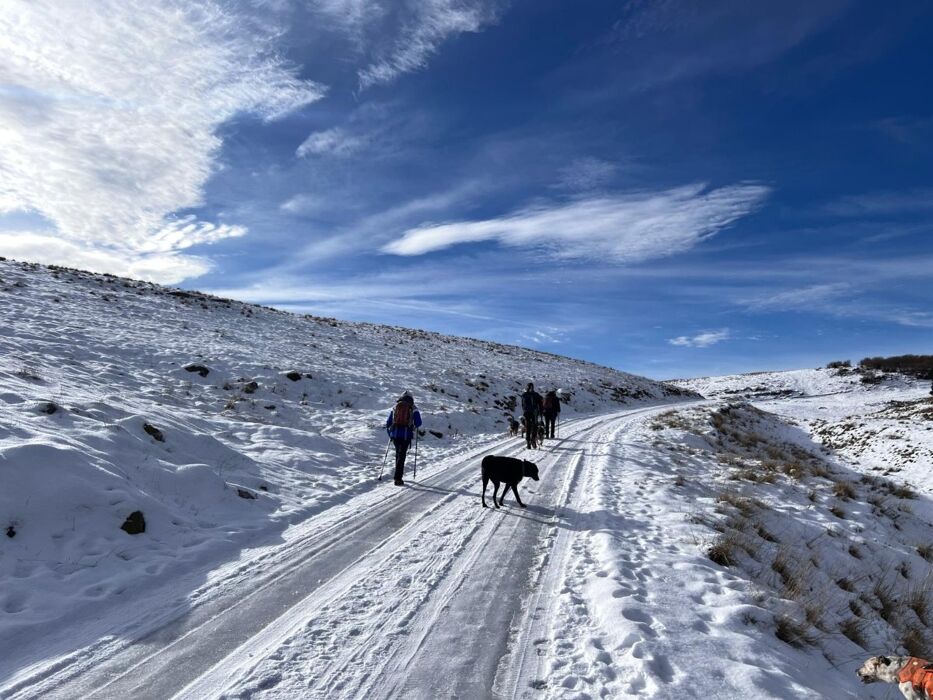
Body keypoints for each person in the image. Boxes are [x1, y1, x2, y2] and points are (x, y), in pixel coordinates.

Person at [386, 392, 422, 485]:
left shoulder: (395, 407)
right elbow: (418, 423)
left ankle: (397, 476)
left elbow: (388, 422)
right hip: (406, 435)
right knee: (402, 456)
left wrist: (390, 434)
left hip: (395, 435)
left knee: (398, 455)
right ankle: (398, 478)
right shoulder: (413, 408)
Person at [520, 382, 543, 450]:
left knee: (528, 428)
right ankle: (533, 439)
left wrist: (524, 411)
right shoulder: (536, 394)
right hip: (534, 413)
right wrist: (541, 411)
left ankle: (528, 443)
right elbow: (540, 403)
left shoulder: (524, 395)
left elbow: (523, 405)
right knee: (535, 427)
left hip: (527, 413)